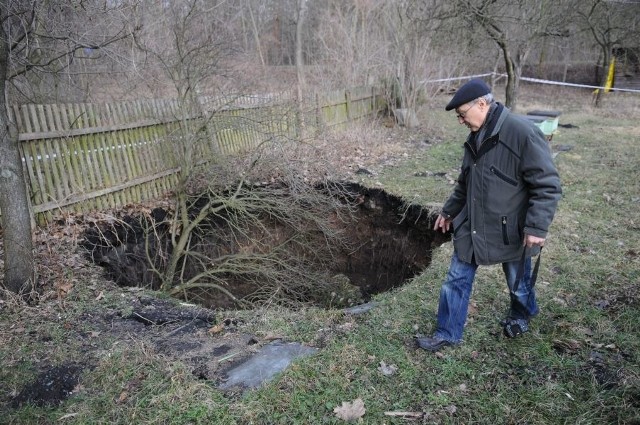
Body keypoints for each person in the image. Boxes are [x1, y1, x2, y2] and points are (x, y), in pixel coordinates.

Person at [416, 78, 562, 352]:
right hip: (472, 226)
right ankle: (447, 332)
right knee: (455, 280)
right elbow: (464, 183)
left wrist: (537, 227)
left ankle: (522, 313)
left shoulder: (523, 133)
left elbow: (548, 186)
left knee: (518, 283)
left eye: (462, 115)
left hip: (512, 229)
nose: (460, 121)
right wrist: (449, 212)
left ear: (481, 104)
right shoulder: (475, 137)